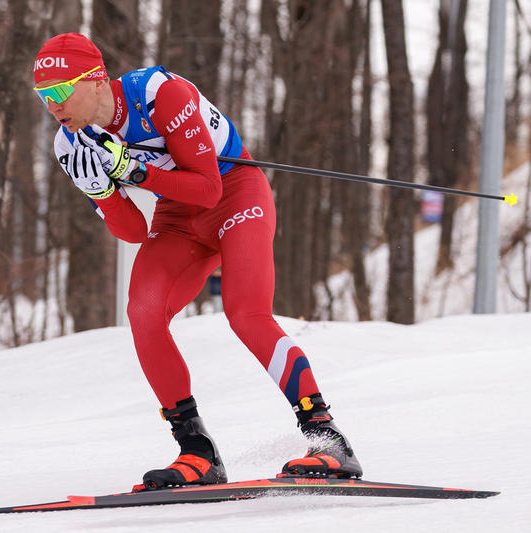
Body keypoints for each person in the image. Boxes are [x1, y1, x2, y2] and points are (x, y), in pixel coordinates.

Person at [33, 33, 362, 489]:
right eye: (43, 95)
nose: (52, 105)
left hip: (234, 193)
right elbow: (134, 231)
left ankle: (327, 439)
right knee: (144, 313)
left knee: (245, 313)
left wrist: (134, 169)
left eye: (59, 91)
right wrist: (103, 193)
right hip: (177, 218)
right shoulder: (71, 145)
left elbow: (207, 188)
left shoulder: (159, 94)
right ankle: (197, 451)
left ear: (94, 81)